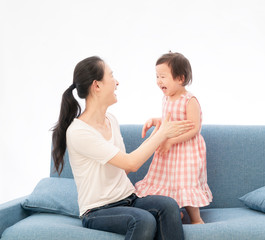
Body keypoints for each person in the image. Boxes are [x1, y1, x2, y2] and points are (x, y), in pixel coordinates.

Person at [51, 56, 194, 240]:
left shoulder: (111, 120)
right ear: (97, 85)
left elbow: (125, 167)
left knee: (168, 205)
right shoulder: (79, 132)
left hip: (128, 200)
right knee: (143, 220)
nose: (117, 82)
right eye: (111, 76)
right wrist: (162, 135)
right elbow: (132, 163)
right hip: (97, 210)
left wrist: (158, 134)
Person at [135, 52, 213, 224]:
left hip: (186, 150)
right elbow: (170, 121)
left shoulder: (189, 100)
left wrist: (171, 141)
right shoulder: (166, 98)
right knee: (167, 181)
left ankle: (196, 218)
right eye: (157, 76)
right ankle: (172, 211)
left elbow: (194, 128)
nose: (159, 81)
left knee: (185, 182)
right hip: (168, 149)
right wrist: (156, 121)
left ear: (180, 78)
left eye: (163, 76)